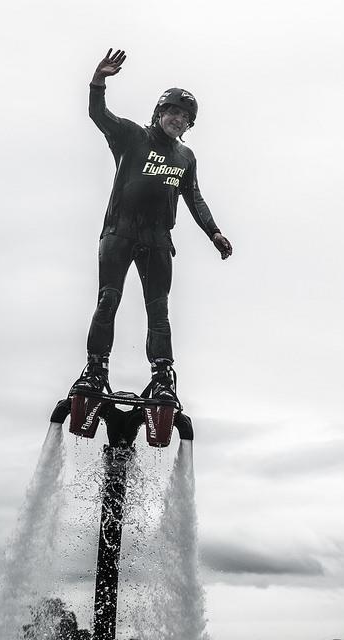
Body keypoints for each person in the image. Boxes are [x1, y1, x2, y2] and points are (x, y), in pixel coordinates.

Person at [72, 48, 232, 401]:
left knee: (159, 312)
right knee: (107, 300)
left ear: (189, 125)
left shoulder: (185, 157)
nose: (179, 119)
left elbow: (194, 197)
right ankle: (96, 370)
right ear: (160, 112)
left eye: (186, 117)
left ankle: (162, 376)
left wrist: (214, 232)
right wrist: (98, 81)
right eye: (173, 111)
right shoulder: (131, 136)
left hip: (159, 239)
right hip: (120, 232)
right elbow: (98, 114)